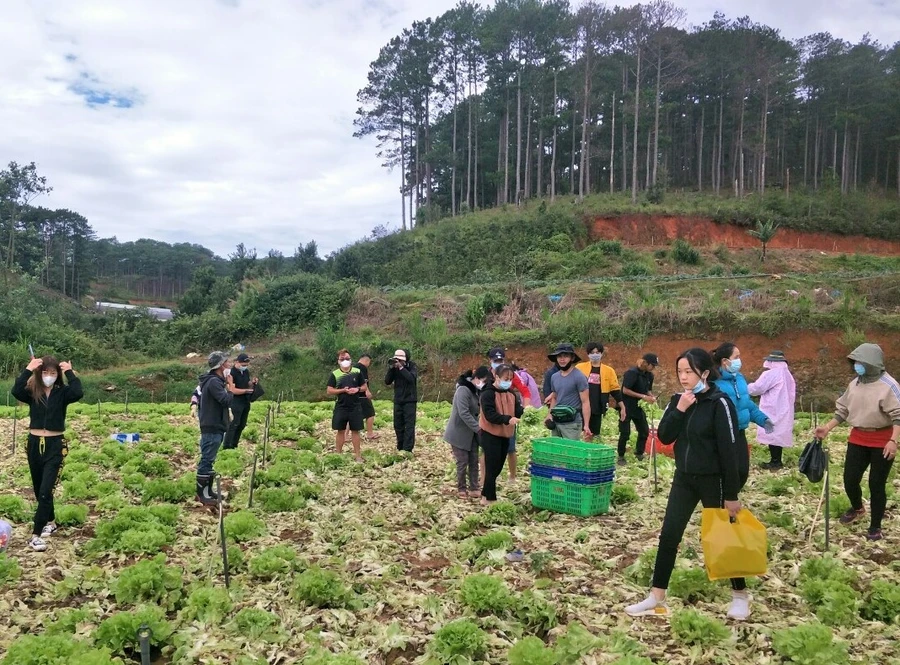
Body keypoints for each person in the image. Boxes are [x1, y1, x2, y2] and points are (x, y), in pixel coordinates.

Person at [625, 348, 750, 621]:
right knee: (669, 534)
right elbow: (666, 437)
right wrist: (680, 410)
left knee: (722, 537)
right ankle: (657, 595)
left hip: (713, 480)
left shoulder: (720, 403)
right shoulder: (678, 400)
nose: (683, 377)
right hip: (684, 477)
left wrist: (731, 493)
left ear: (704, 373)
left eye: (689, 372)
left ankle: (740, 594)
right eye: (680, 371)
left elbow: (730, 451)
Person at [814, 343, 900, 542]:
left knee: (876, 484)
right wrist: (827, 428)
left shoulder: (889, 386)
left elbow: (898, 416)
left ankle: (875, 526)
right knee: (850, 478)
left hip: (882, 439)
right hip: (858, 437)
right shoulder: (855, 384)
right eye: (855, 362)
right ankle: (858, 507)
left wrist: (893, 441)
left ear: (872, 363)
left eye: (860, 362)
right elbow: (843, 410)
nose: (856, 366)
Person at [11, 355, 83, 552]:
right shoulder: (33, 392)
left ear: (57, 375)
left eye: (53, 373)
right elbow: (15, 390)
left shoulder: (63, 393)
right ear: (39, 373)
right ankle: (51, 522)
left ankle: (35, 536)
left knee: (45, 492)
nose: (49, 376)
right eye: (45, 372)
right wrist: (28, 368)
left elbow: (78, 392)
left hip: (55, 444)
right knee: (38, 489)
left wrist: (69, 371)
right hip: (34, 444)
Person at [711, 342, 773, 483]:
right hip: (722, 435)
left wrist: (762, 419)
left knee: (742, 472)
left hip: (739, 433)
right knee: (726, 473)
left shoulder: (739, 378)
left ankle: (730, 497)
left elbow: (746, 404)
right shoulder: (714, 382)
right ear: (725, 361)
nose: (739, 360)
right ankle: (722, 501)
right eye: (736, 356)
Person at [479, 364, 524, 505]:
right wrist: (507, 419)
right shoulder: (488, 393)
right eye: (506, 378)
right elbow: (490, 415)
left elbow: (517, 410)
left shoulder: (511, 394)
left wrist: (525, 412)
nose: (508, 381)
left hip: (505, 434)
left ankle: (484, 495)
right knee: (491, 465)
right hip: (489, 433)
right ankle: (490, 499)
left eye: (510, 378)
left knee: (498, 465)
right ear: (497, 377)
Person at [444, 367, 491, 499]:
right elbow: (463, 413)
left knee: (473, 459)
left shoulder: (478, 391)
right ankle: (461, 488)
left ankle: (474, 487)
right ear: (476, 378)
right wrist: (479, 428)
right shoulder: (463, 389)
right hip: (459, 432)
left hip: (472, 433)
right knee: (462, 461)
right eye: (484, 381)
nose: (484, 384)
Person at [487, 348, 532, 482]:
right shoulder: (486, 375)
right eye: (496, 361)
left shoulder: (511, 375)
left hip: (509, 415)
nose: (498, 363)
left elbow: (525, 392)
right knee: (489, 449)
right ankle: (490, 476)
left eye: (501, 360)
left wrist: (526, 408)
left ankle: (512, 476)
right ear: (490, 361)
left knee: (510, 448)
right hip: (491, 416)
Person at [196, 351, 235, 506]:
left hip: (215, 425)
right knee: (206, 459)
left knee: (209, 459)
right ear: (220, 366)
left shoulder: (215, 381)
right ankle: (202, 495)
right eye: (226, 362)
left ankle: (208, 491)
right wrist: (230, 387)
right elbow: (225, 400)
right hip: (211, 426)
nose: (229, 365)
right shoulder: (213, 382)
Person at [747, 351, 796, 470]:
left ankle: (775, 461)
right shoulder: (787, 374)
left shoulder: (771, 373)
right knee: (777, 434)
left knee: (772, 432)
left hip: (772, 408)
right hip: (784, 407)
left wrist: (745, 388)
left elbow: (758, 388)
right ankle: (777, 460)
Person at [575, 342, 626, 441]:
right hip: (580, 405)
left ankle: (591, 449)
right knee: (580, 432)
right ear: (588, 354)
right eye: (592, 352)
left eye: (597, 352)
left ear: (601, 354)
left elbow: (615, 390)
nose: (595, 355)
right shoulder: (579, 368)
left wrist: (622, 406)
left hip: (597, 405)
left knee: (594, 433)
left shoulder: (609, 371)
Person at [618, 353, 659, 464]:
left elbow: (647, 390)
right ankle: (621, 456)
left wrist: (651, 397)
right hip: (626, 406)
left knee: (644, 431)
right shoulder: (632, 373)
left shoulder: (649, 376)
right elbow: (625, 390)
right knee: (625, 433)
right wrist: (644, 397)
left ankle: (639, 453)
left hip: (638, 407)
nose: (653, 368)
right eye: (653, 365)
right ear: (646, 363)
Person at [546, 343, 591, 440]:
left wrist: (586, 425)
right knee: (556, 451)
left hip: (572, 423)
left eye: (565, 356)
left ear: (572, 358)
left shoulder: (579, 376)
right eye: (559, 356)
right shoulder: (554, 377)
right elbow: (554, 397)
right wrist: (549, 415)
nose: (562, 359)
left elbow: (585, 402)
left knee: (570, 452)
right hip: (557, 420)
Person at [327, 349, 365, 463]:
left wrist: (356, 389)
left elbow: (364, 387)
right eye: (342, 359)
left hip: (355, 405)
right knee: (340, 430)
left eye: (347, 359)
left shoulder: (357, 372)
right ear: (338, 361)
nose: (345, 361)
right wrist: (342, 390)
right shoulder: (335, 374)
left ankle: (358, 455)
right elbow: (329, 390)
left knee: (355, 430)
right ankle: (338, 454)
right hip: (341, 405)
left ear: (351, 360)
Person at [385, 348, 418, 452]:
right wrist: (391, 368)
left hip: (410, 400)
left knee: (409, 425)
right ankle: (400, 446)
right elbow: (387, 381)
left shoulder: (412, 366)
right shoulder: (394, 368)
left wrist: (401, 368)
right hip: (398, 400)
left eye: (400, 360)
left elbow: (411, 379)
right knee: (398, 425)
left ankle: (407, 449)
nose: (398, 362)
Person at [223, 352, 257, 450]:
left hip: (245, 401)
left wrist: (252, 383)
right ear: (237, 362)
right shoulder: (231, 373)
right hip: (235, 402)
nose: (245, 367)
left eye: (246, 365)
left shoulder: (245, 372)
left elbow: (247, 383)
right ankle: (227, 446)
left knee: (241, 424)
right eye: (243, 365)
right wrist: (246, 390)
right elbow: (232, 390)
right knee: (234, 424)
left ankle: (234, 445)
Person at [355, 354, 378, 439]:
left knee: (353, 415)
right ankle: (370, 433)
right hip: (362, 395)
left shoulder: (352, 367)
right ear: (367, 360)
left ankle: (346, 435)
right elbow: (364, 381)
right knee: (370, 413)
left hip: (354, 395)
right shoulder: (362, 367)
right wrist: (367, 392)